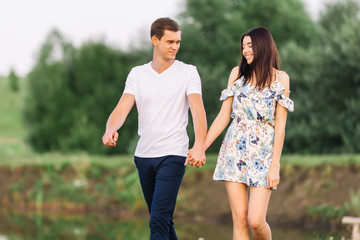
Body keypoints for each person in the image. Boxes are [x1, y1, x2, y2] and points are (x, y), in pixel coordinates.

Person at [102, 17, 207, 240]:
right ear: (155, 40)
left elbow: (198, 111)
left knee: (157, 221)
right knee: (163, 220)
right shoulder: (137, 74)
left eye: (178, 42)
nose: (175, 47)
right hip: (144, 157)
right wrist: (110, 128)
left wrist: (199, 146)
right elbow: (121, 109)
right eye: (170, 41)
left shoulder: (188, 72)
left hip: (173, 154)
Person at [187, 26, 294, 240]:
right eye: (243, 46)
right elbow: (223, 116)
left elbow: (280, 125)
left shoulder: (281, 78)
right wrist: (200, 147)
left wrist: (275, 165)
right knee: (240, 220)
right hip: (234, 151)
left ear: (263, 46)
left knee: (256, 220)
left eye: (250, 45)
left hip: (264, 155)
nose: (245, 50)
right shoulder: (237, 74)